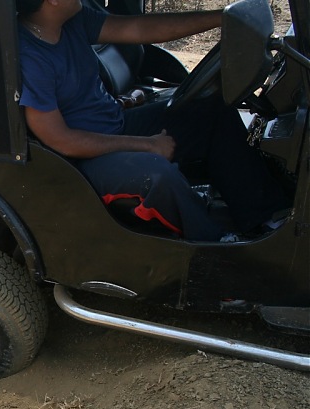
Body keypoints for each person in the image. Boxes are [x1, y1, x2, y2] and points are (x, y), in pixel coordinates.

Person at [16, 0, 288, 241]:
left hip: (115, 125)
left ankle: (263, 218)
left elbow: (140, 28)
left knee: (212, 111)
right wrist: (146, 145)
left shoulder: (72, 22)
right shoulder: (31, 57)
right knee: (158, 176)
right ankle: (214, 246)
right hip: (80, 161)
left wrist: (223, 17)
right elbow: (59, 140)